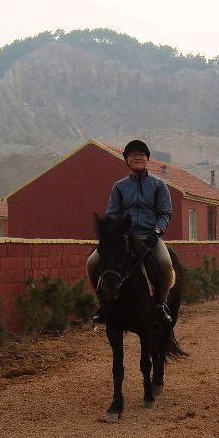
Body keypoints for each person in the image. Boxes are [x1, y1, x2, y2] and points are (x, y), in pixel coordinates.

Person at [87, 139, 174, 325]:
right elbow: (112, 214)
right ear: (126, 160)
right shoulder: (119, 186)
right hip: (124, 238)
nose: (137, 158)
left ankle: (161, 304)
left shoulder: (159, 185)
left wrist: (157, 231)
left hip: (149, 237)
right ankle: (102, 303)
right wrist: (116, 235)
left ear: (147, 159)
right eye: (133, 155)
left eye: (141, 155)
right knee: (91, 262)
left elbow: (165, 212)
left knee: (166, 265)